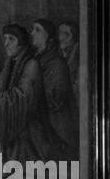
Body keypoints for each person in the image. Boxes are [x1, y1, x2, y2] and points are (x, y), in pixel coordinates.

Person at [0, 23, 59, 162]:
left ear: (21, 42)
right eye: (5, 39)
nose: (6, 44)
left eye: (11, 39)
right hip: (16, 127)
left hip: (29, 130)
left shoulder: (31, 64)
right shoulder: (10, 63)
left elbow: (22, 98)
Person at [31, 18, 77, 158]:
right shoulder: (38, 60)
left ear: (48, 36)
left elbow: (56, 100)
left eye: (37, 30)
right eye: (32, 29)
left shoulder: (57, 63)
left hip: (57, 126)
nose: (32, 33)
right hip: (43, 118)